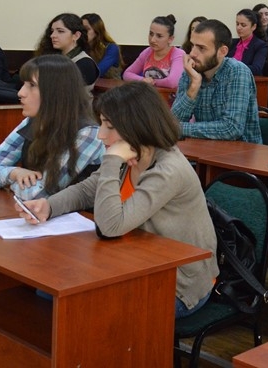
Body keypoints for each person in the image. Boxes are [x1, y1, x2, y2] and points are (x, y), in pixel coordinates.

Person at [17, 81, 219, 318]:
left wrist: (111, 160)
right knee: (47, 290)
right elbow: (87, 190)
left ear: (137, 126)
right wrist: (49, 206)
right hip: (136, 260)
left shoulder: (167, 170)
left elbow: (110, 227)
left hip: (178, 283)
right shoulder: (132, 153)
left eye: (109, 126)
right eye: (102, 123)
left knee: (84, 305)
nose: (101, 134)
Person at [0, 55, 104, 200]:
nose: (20, 93)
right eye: (23, 84)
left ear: (56, 92)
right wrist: (13, 173)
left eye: (32, 85)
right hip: (32, 210)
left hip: (77, 214)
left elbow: (41, 193)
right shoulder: (32, 121)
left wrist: (12, 182)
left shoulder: (89, 133)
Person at [171, 19, 262, 143]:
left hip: (242, 151)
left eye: (201, 48)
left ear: (222, 51)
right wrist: (194, 87)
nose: (192, 54)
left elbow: (232, 128)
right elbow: (172, 123)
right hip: (204, 149)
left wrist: (179, 128)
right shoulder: (191, 72)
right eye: (192, 46)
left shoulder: (237, 71)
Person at [35, 13, 99, 88]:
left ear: (76, 35)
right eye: (52, 31)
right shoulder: (54, 58)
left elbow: (61, 90)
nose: (52, 35)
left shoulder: (85, 63)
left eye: (60, 31)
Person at [123, 15, 185, 90]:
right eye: (151, 34)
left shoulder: (178, 54)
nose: (152, 40)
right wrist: (142, 80)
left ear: (170, 39)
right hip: (148, 96)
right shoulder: (147, 52)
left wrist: (152, 82)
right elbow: (127, 74)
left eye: (159, 36)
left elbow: (173, 82)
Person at [81, 13, 123, 79]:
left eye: (86, 29)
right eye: (81, 29)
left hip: (110, 84)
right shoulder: (80, 47)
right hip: (87, 83)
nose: (82, 33)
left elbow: (99, 71)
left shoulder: (111, 48)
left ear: (97, 30)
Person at [231, 8, 268, 76]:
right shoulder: (232, 43)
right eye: (237, 24)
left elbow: (256, 69)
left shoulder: (260, 46)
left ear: (253, 27)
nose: (239, 28)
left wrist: (233, 68)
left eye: (243, 25)